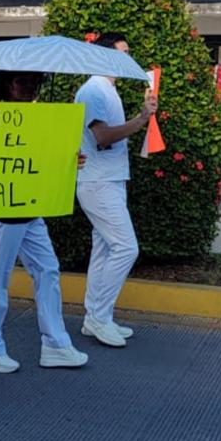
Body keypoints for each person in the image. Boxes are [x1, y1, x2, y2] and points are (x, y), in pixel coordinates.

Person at [0, 71, 89, 373]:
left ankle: (55, 342)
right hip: (3, 207)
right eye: (23, 83)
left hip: (32, 206)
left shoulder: (38, 117)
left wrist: (67, 159)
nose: (30, 89)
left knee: (47, 270)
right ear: (6, 85)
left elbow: (43, 159)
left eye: (34, 84)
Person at [75, 33, 157, 347]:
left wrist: (143, 116)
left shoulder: (107, 90)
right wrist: (142, 118)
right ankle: (97, 317)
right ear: (105, 55)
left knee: (106, 250)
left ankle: (96, 318)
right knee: (126, 248)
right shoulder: (94, 90)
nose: (127, 56)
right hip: (98, 183)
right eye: (122, 51)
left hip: (108, 180)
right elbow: (103, 137)